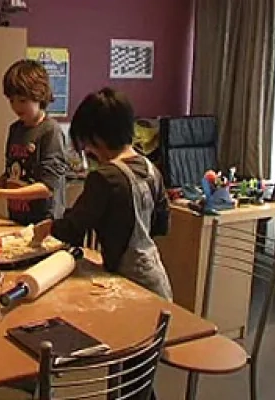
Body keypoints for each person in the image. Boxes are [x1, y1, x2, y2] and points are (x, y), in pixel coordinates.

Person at [32, 87, 173, 301]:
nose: (88, 150)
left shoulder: (105, 177)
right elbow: (162, 225)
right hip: (156, 279)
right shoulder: (151, 168)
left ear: (97, 137)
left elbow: (73, 229)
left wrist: (48, 227)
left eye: (87, 142)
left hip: (129, 283)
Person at [0, 59, 67, 226]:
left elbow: (47, 188)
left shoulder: (50, 131)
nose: (16, 106)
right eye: (12, 100)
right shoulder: (15, 129)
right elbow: (12, 175)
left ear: (39, 95)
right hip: (17, 219)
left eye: (22, 100)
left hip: (44, 223)